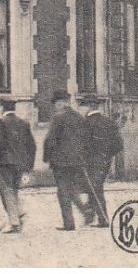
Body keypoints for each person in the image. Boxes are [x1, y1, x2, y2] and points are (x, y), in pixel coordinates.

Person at [42, 90, 95, 231]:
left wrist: (47, 157)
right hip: (77, 161)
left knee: (63, 192)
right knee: (71, 189)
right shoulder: (79, 117)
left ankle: (69, 223)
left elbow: (50, 140)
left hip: (61, 161)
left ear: (61, 103)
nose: (55, 107)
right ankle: (85, 211)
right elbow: (87, 139)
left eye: (56, 104)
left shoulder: (58, 118)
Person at [0, 99, 37, 233]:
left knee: (7, 191)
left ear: (2, 108)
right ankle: (19, 215)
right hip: (21, 163)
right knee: (13, 191)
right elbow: (32, 146)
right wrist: (28, 166)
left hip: (5, 163)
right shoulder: (23, 123)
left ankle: (15, 222)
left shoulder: (1, 123)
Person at [83, 104, 123, 228]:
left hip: (91, 161)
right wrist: (107, 154)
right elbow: (119, 144)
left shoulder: (86, 123)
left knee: (95, 188)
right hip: (106, 160)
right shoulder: (109, 122)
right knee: (94, 186)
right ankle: (92, 214)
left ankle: (102, 219)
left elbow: (82, 144)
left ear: (88, 108)